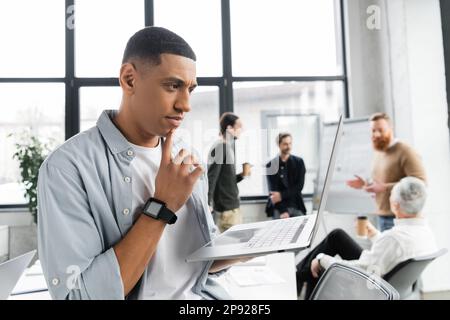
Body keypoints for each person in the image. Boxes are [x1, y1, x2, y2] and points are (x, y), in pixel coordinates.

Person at [37, 27, 243, 300]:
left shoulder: (186, 154)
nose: (186, 104)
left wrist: (246, 248)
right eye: (173, 86)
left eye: (190, 89)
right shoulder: (66, 169)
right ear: (129, 79)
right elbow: (78, 297)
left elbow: (190, 263)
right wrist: (162, 206)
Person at [296, 177, 438, 299]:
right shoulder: (426, 233)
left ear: (395, 205)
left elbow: (364, 268)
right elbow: (394, 253)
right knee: (337, 236)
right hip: (389, 284)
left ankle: (298, 276)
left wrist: (322, 259)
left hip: (370, 286)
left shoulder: (393, 239)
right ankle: (299, 275)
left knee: (318, 266)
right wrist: (374, 235)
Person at [346, 112, 427, 231]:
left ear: (390, 128)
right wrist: (365, 185)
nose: (376, 134)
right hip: (382, 215)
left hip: (400, 218)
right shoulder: (379, 152)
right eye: (373, 130)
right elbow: (381, 183)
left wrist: (384, 187)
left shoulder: (405, 151)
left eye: (380, 130)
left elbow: (420, 183)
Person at [207, 112, 249, 233]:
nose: (242, 129)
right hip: (227, 210)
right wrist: (208, 202)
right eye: (239, 126)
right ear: (229, 128)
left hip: (231, 208)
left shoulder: (227, 147)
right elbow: (212, 176)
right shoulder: (221, 147)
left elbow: (225, 180)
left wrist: (242, 175)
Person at [265, 133, 307, 219]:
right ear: (279, 145)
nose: (288, 146)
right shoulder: (271, 165)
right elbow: (273, 192)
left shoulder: (299, 162)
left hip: (296, 204)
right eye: (285, 144)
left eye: (290, 143)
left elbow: (299, 186)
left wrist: (281, 195)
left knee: (304, 228)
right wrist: (283, 210)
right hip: (279, 206)